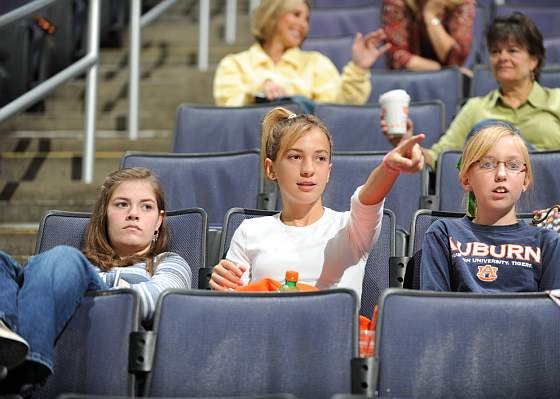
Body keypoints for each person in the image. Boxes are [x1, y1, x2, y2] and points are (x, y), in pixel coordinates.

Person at [0, 167, 192, 394]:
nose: (133, 213)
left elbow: (165, 301)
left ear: (159, 220)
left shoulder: (168, 262)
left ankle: (24, 365)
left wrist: (101, 285)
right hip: (63, 340)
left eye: (146, 206)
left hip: (111, 350)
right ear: (105, 214)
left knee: (63, 257)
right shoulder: (74, 263)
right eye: (121, 204)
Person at [209, 107, 425, 296]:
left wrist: (390, 167)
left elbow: (367, 200)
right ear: (271, 168)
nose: (308, 170)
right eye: (295, 157)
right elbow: (235, 307)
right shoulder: (250, 231)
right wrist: (222, 286)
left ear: (329, 171)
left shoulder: (349, 228)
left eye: (320, 158)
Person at [382, 11, 560, 167]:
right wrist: (405, 142)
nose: (502, 57)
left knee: (489, 129)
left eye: (512, 50)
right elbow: (441, 158)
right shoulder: (475, 107)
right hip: (490, 201)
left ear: (534, 60)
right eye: (495, 51)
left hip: (551, 195)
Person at [420, 120, 560, 292]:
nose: (500, 174)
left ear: (525, 180)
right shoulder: (443, 233)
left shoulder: (547, 242)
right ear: (466, 179)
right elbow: (433, 308)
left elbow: (556, 315)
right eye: (487, 164)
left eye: (513, 166)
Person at [213, 0, 389, 107]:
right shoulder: (233, 64)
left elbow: (340, 106)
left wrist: (358, 68)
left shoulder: (316, 62)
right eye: (296, 14)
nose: (303, 24)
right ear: (272, 16)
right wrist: (259, 92)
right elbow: (229, 110)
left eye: (306, 19)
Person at [381, 0, 475, 72]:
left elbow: (456, 60)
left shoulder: (462, 5)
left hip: (449, 84)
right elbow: (397, 56)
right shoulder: (396, 4)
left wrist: (430, 17)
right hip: (413, 80)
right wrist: (440, 69)